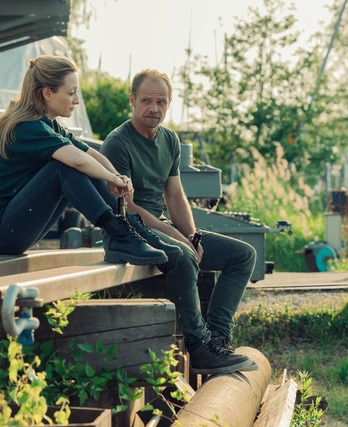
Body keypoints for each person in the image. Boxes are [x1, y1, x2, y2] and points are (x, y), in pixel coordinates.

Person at [101, 69, 258, 375]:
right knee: (184, 254)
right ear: (132, 100)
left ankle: (218, 340)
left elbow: (174, 196)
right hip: (127, 229)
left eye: (161, 102)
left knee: (243, 255)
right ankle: (199, 347)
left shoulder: (169, 140)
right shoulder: (118, 143)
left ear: (169, 104)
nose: (153, 108)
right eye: (146, 100)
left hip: (158, 226)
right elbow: (129, 207)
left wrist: (193, 235)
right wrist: (182, 241)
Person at [0, 55, 181, 265]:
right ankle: (120, 235)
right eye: (71, 93)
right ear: (47, 93)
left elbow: (90, 155)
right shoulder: (27, 127)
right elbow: (78, 161)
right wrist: (112, 179)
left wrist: (116, 176)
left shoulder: (50, 126)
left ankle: (132, 231)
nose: (76, 100)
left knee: (83, 166)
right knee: (63, 168)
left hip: (13, 228)